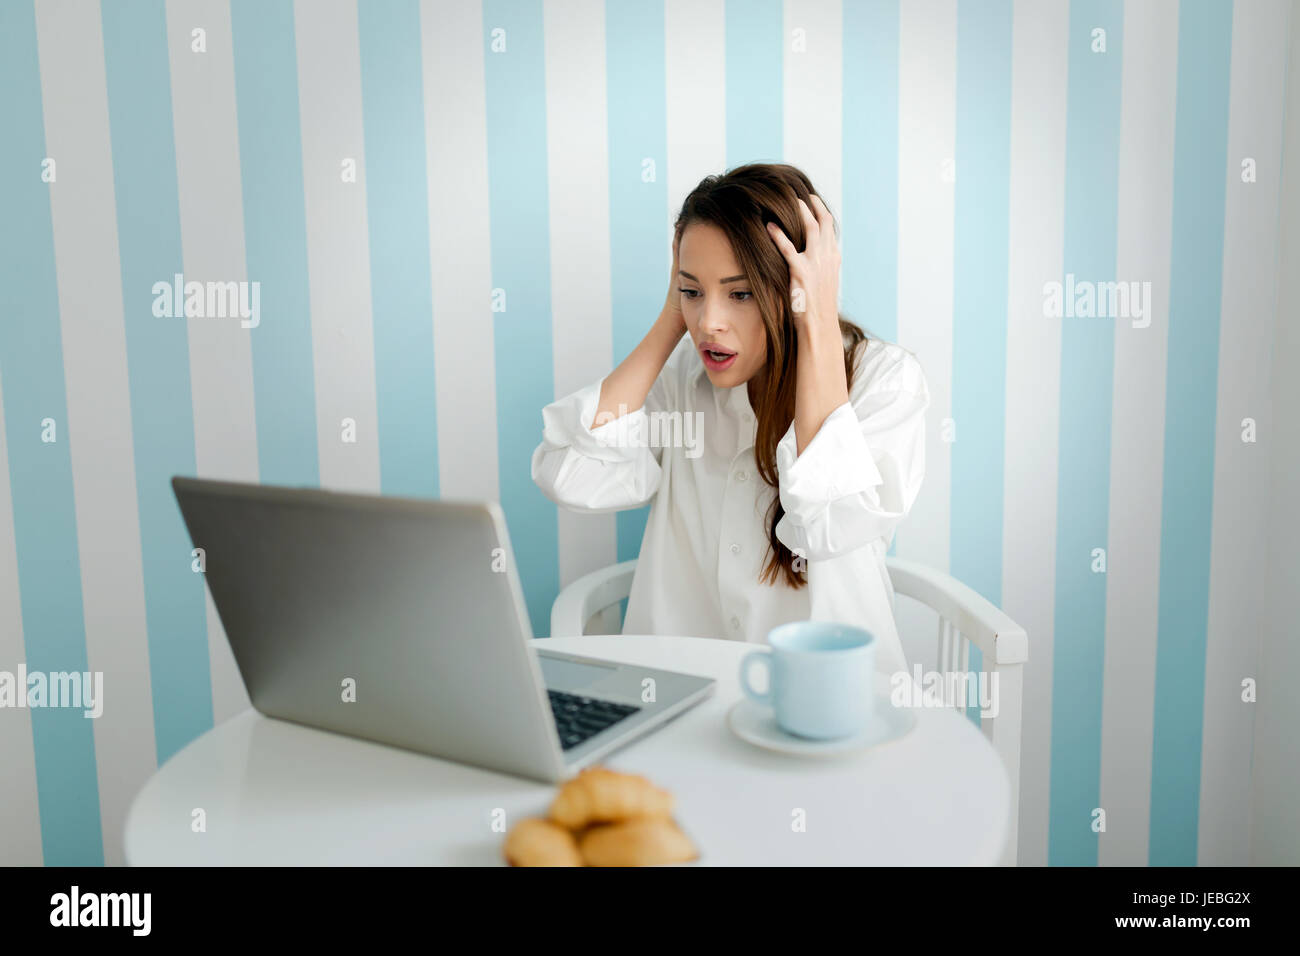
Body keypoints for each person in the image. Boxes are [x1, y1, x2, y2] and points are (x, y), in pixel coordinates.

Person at [530, 163, 929, 675]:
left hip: (832, 710)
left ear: (794, 287)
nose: (708, 323)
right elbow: (568, 472)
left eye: (739, 294)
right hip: (681, 705)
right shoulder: (681, 381)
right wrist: (674, 313)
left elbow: (827, 526)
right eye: (693, 291)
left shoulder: (884, 381)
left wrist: (817, 318)